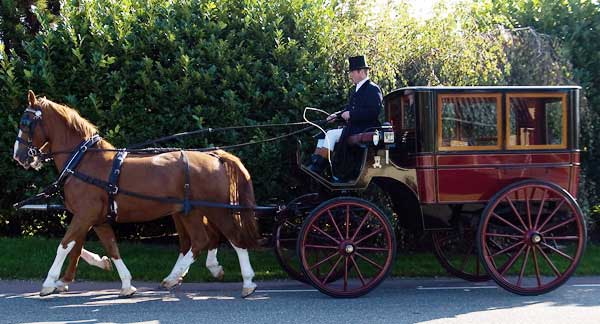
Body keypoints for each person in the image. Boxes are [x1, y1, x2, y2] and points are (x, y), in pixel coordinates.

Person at [307, 55, 383, 175]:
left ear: (361, 72)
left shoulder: (372, 89)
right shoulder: (356, 89)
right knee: (323, 134)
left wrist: (352, 114)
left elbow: (373, 112)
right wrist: (335, 116)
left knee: (331, 135)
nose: (351, 75)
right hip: (354, 127)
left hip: (365, 128)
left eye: (352, 72)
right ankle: (315, 161)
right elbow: (348, 109)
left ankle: (318, 167)